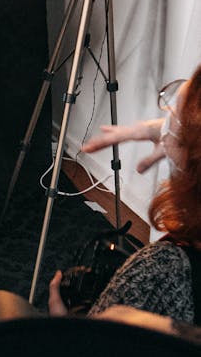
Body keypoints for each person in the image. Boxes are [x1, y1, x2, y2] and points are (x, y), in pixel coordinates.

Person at [49, 68, 201, 323]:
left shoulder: (161, 269)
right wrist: (178, 136)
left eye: (174, 113)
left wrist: (63, 323)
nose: (165, 117)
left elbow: (89, 354)